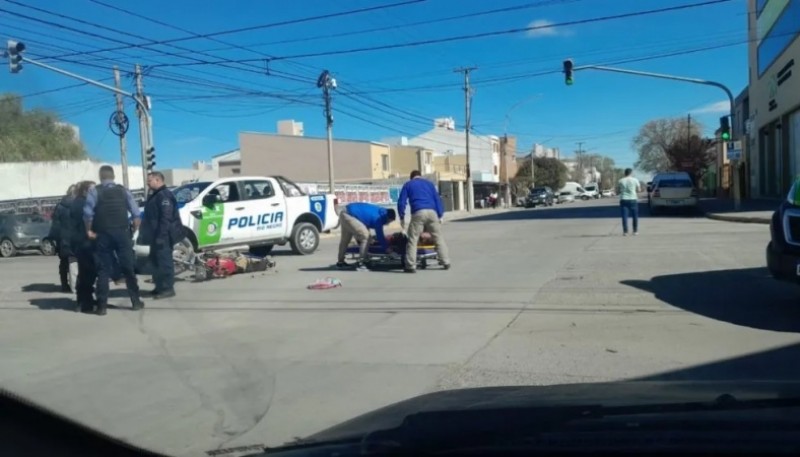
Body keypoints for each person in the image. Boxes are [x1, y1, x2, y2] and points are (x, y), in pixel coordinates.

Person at [83, 165, 143, 315]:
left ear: (100, 176)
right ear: (113, 176)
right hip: (122, 233)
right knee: (128, 269)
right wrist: (134, 230)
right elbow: (136, 214)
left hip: (102, 234)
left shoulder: (94, 191)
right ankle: (135, 301)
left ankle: (102, 306)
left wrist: (89, 230)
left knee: (103, 270)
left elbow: (87, 215)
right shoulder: (123, 191)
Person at [139, 171, 184, 299]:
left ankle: (168, 288)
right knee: (155, 262)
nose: (148, 184)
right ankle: (159, 287)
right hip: (153, 236)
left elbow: (166, 217)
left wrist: (161, 236)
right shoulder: (155, 195)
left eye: (149, 181)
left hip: (163, 236)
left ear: (158, 180)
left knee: (164, 262)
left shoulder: (164, 196)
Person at [397, 170, 450, 273]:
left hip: (418, 212)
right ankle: (446, 262)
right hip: (432, 212)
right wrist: (440, 215)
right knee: (438, 238)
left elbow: (401, 202)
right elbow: (437, 199)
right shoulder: (429, 184)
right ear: (420, 176)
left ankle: (411, 266)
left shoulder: (408, 184)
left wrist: (402, 216)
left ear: (411, 177)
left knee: (413, 239)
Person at [336, 202, 396, 271]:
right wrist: (388, 249)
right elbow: (380, 236)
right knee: (366, 237)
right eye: (390, 222)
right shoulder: (379, 219)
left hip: (345, 212)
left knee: (345, 240)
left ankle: (340, 263)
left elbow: (365, 222)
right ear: (388, 218)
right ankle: (361, 263)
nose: (388, 224)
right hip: (350, 215)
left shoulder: (380, 212)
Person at [70, 181, 98, 313]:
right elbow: (89, 221)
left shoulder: (76, 202)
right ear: (86, 191)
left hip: (79, 241)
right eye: (93, 189)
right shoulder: (83, 204)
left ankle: (82, 300)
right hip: (85, 241)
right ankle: (85, 302)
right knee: (87, 274)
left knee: (85, 273)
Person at [49, 185, 76, 292]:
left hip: (63, 238)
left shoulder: (60, 206)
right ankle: (77, 283)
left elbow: (55, 224)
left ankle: (64, 285)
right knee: (77, 261)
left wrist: (53, 238)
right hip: (76, 237)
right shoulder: (79, 204)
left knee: (64, 262)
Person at [617, 168, 642, 236]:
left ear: (625, 173)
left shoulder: (620, 181)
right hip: (633, 199)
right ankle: (635, 231)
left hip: (624, 199)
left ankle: (625, 232)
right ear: (631, 173)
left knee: (624, 216)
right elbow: (639, 190)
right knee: (635, 216)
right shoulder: (635, 180)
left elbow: (618, 190)